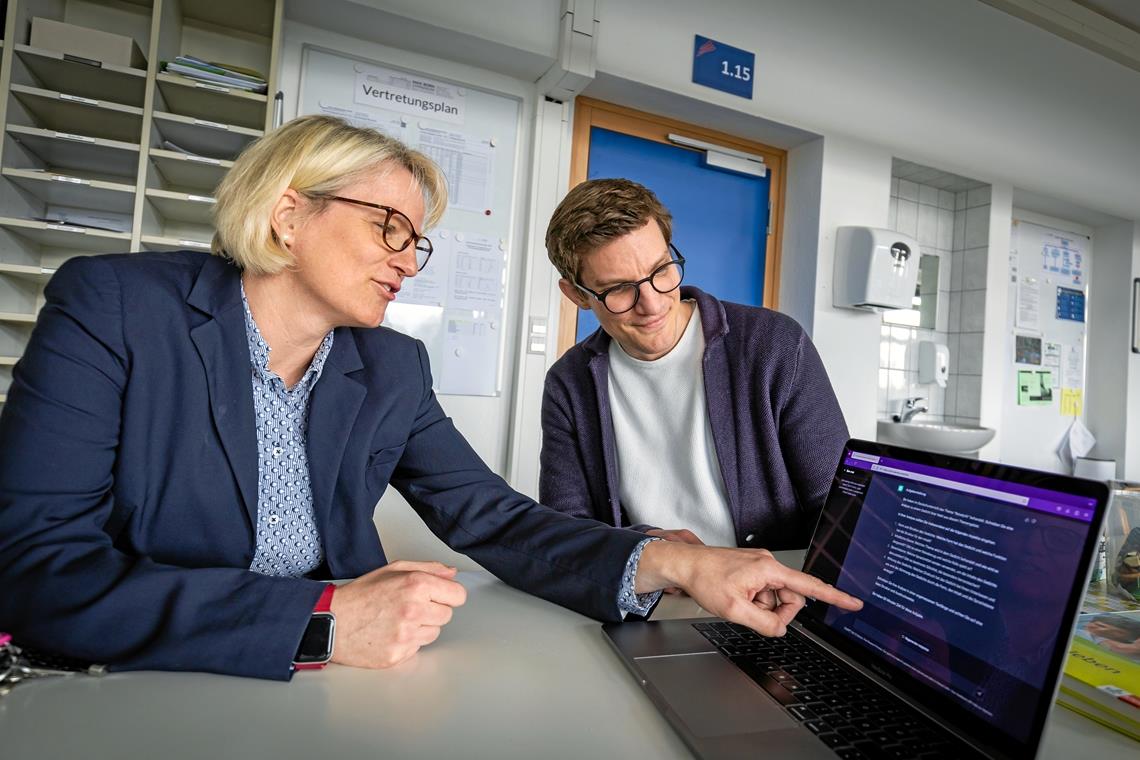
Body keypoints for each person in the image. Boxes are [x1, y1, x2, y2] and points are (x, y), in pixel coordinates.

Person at [0, 116, 860, 681]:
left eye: (420, 243)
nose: (410, 262)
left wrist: (682, 564)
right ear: (288, 215)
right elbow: (35, 572)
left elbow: (496, 519)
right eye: (391, 229)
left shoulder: (389, 366)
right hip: (144, 680)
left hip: (335, 682)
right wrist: (322, 617)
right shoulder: (115, 308)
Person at [541, 178, 848, 551]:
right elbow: (566, 528)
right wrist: (646, 551)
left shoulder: (775, 345)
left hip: (772, 592)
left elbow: (840, 510)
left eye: (661, 270)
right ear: (577, 294)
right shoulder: (568, 384)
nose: (652, 305)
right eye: (620, 288)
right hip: (645, 594)